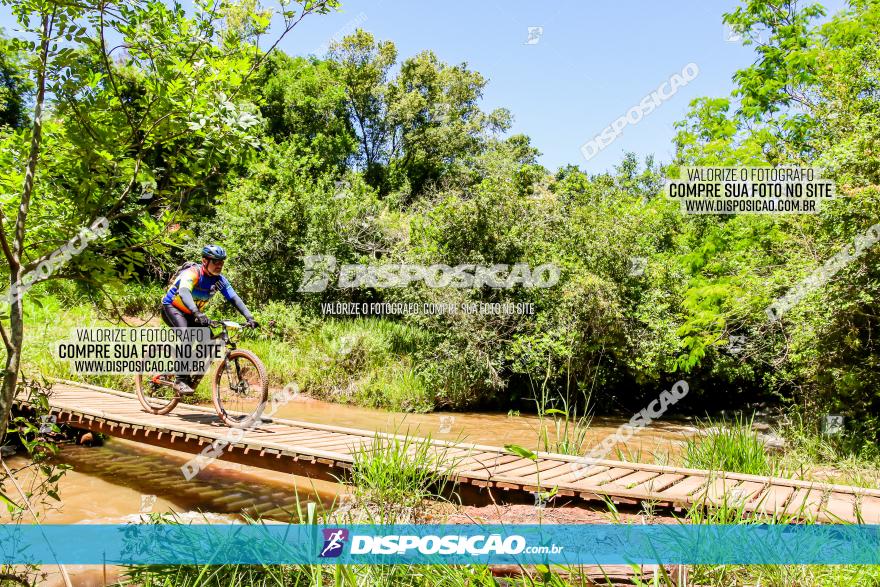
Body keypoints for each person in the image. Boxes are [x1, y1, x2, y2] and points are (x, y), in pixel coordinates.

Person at [160, 244, 258, 394]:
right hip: (172, 307)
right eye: (216, 262)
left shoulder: (219, 281)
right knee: (187, 335)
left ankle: (187, 363)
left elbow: (234, 298)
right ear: (205, 261)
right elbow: (184, 292)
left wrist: (249, 317)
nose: (219, 265)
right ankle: (180, 380)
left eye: (222, 262)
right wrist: (196, 312)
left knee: (209, 341)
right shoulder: (193, 273)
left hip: (192, 312)